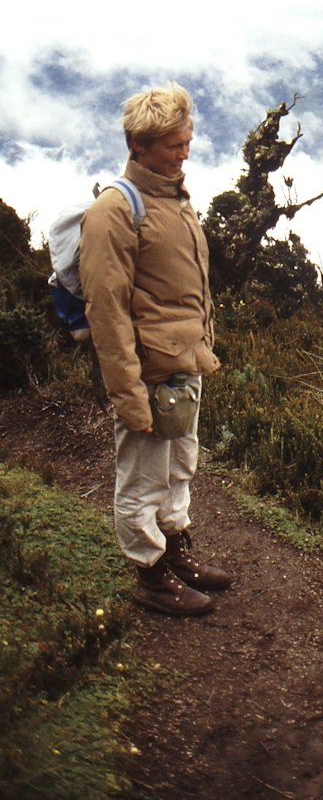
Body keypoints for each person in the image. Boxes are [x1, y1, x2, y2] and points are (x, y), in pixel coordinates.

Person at [80, 83, 232, 615]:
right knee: (142, 478)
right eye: (173, 145)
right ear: (138, 146)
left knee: (179, 466)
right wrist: (128, 395)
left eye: (187, 141)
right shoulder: (115, 211)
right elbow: (107, 311)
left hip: (184, 364)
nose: (185, 153)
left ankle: (174, 550)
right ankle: (150, 575)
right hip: (147, 374)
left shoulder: (175, 198)